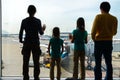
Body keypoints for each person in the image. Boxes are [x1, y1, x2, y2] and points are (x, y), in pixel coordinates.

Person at [91, 1, 118, 80]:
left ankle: (98, 78)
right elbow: (115, 32)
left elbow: (93, 31)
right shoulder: (114, 19)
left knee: (98, 63)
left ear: (101, 8)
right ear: (109, 9)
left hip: (99, 42)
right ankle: (109, 78)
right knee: (108, 62)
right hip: (108, 42)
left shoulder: (98, 17)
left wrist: (94, 39)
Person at [19, 5, 46, 80]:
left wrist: (21, 41)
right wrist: (43, 29)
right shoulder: (38, 21)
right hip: (35, 43)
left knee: (25, 61)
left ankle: (26, 76)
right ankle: (36, 77)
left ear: (28, 11)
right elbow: (41, 33)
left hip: (27, 42)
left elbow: (21, 32)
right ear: (35, 12)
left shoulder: (24, 21)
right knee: (36, 61)